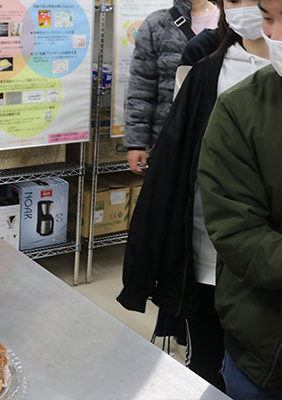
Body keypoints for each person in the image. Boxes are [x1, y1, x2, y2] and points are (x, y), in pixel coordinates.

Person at [118, 0, 268, 391]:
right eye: (234, 0)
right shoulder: (205, 66)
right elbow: (174, 147)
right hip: (208, 251)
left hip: (265, 264)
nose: (247, 8)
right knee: (207, 359)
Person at [197, 0, 282, 397]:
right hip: (265, 355)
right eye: (268, 18)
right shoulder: (238, 106)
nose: (275, 35)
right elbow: (238, 233)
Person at [125, 0, 220, 174]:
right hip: (169, 136)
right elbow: (142, 86)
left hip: (219, 136)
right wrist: (136, 143)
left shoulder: (232, 21)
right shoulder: (156, 24)